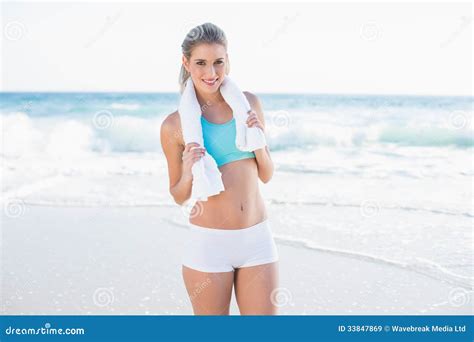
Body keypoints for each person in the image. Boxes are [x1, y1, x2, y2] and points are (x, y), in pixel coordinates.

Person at [160, 22, 279, 315]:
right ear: (186, 62)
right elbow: (178, 195)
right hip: (209, 245)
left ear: (228, 62)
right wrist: (188, 169)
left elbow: (266, 174)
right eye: (200, 63)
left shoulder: (248, 104)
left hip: (257, 240)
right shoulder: (174, 125)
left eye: (218, 63)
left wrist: (259, 144)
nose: (210, 73)